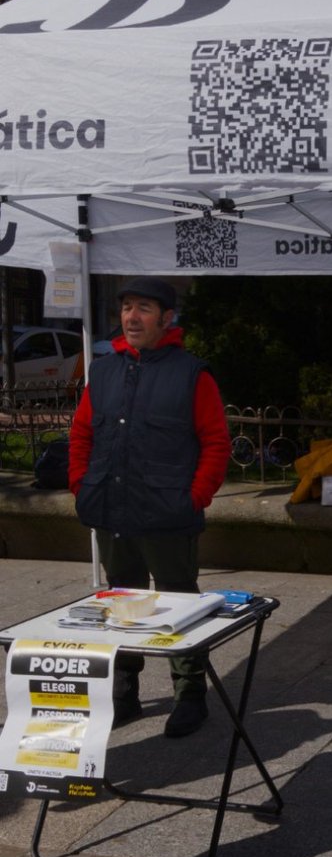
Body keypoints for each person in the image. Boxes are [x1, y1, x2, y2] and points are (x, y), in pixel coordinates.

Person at [68, 277, 230, 738]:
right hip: (112, 510)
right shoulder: (103, 370)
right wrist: (81, 485)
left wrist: (194, 497)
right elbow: (82, 434)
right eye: (125, 308)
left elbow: (215, 443)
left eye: (143, 308)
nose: (131, 317)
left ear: (166, 318)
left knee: (179, 604)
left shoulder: (192, 373)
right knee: (123, 603)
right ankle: (125, 693)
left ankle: (190, 694)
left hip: (167, 514)